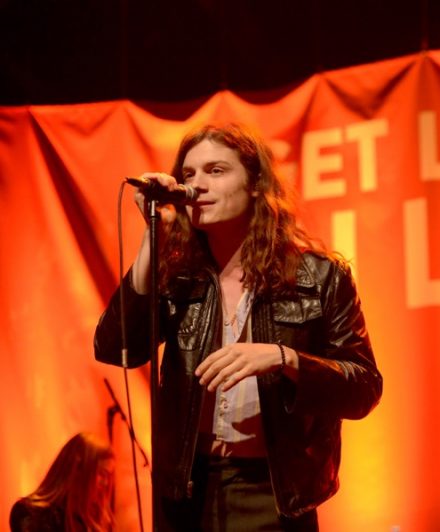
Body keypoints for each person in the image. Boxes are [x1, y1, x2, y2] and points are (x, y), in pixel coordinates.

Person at [93, 123, 382, 531]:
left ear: (255, 184)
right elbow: (117, 347)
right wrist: (152, 239)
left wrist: (285, 359)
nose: (198, 185)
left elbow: (363, 387)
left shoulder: (320, 277)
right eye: (189, 174)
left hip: (274, 491)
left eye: (216, 170)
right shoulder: (179, 277)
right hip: (186, 490)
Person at [9, 432, 115, 532]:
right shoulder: (31, 514)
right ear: (77, 469)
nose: (106, 483)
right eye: (101, 473)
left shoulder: (91, 519)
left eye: (109, 476)